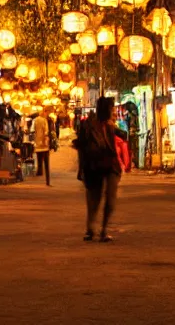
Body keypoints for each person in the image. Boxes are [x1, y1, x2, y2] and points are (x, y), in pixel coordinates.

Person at [75, 97, 123, 242]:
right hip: (93, 165)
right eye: (111, 108)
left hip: (110, 165)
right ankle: (91, 228)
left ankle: (103, 229)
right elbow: (81, 148)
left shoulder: (110, 126)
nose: (113, 111)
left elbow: (113, 147)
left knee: (110, 198)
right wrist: (81, 168)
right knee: (93, 199)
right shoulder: (89, 125)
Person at [32, 109, 52, 186]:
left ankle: (39, 171)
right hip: (44, 145)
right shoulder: (44, 120)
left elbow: (32, 130)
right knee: (46, 162)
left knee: (39, 158)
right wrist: (46, 139)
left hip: (37, 143)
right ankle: (47, 180)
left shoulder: (35, 120)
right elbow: (46, 131)